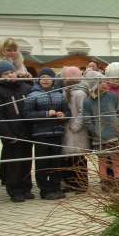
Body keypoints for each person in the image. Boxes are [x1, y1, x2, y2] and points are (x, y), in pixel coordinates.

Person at [22, 68, 71, 201]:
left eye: (48, 77)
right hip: (41, 134)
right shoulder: (33, 95)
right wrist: (45, 114)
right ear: (38, 79)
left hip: (57, 133)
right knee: (42, 162)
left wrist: (63, 115)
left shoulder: (59, 95)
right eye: (42, 77)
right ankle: (45, 189)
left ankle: (56, 187)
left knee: (56, 161)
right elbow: (27, 114)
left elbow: (68, 112)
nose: (45, 80)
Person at [0, 60, 35, 203]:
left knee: (27, 161)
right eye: (6, 73)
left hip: (27, 131)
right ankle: (14, 189)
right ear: (0, 76)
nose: (10, 75)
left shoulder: (26, 88)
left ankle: (26, 187)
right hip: (11, 132)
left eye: (11, 72)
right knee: (14, 163)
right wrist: (7, 134)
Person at [82, 71, 119, 190]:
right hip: (100, 135)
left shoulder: (112, 96)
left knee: (116, 156)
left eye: (104, 81)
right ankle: (104, 180)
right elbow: (87, 120)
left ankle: (118, 179)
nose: (103, 84)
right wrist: (97, 130)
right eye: (99, 82)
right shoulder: (88, 101)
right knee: (102, 158)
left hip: (115, 132)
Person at [61, 66, 91, 193]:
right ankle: (69, 182)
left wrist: (75, 126)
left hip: (77, 130)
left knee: (78, 157)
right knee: (67, 157)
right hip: (67, 129)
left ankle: (81, 183)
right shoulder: (65, 91)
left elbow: (82, 112)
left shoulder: (80, 93)